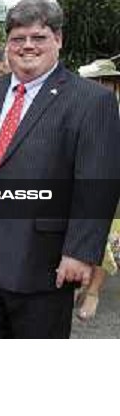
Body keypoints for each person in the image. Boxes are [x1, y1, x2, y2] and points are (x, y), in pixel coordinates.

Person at [0, 0, 120, 339]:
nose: (27, 46)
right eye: (18, 39)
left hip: (42, 261)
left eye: (38, 37)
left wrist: (80, 252)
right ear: (7, 44)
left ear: (58, 40)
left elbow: (99, 184)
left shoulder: (92, 101)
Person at [74, 58, 120, 320]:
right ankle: (82, 281)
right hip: (84, 181)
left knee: (110, 237)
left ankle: (93, 291)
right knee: (83, 230)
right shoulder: (84, 104)